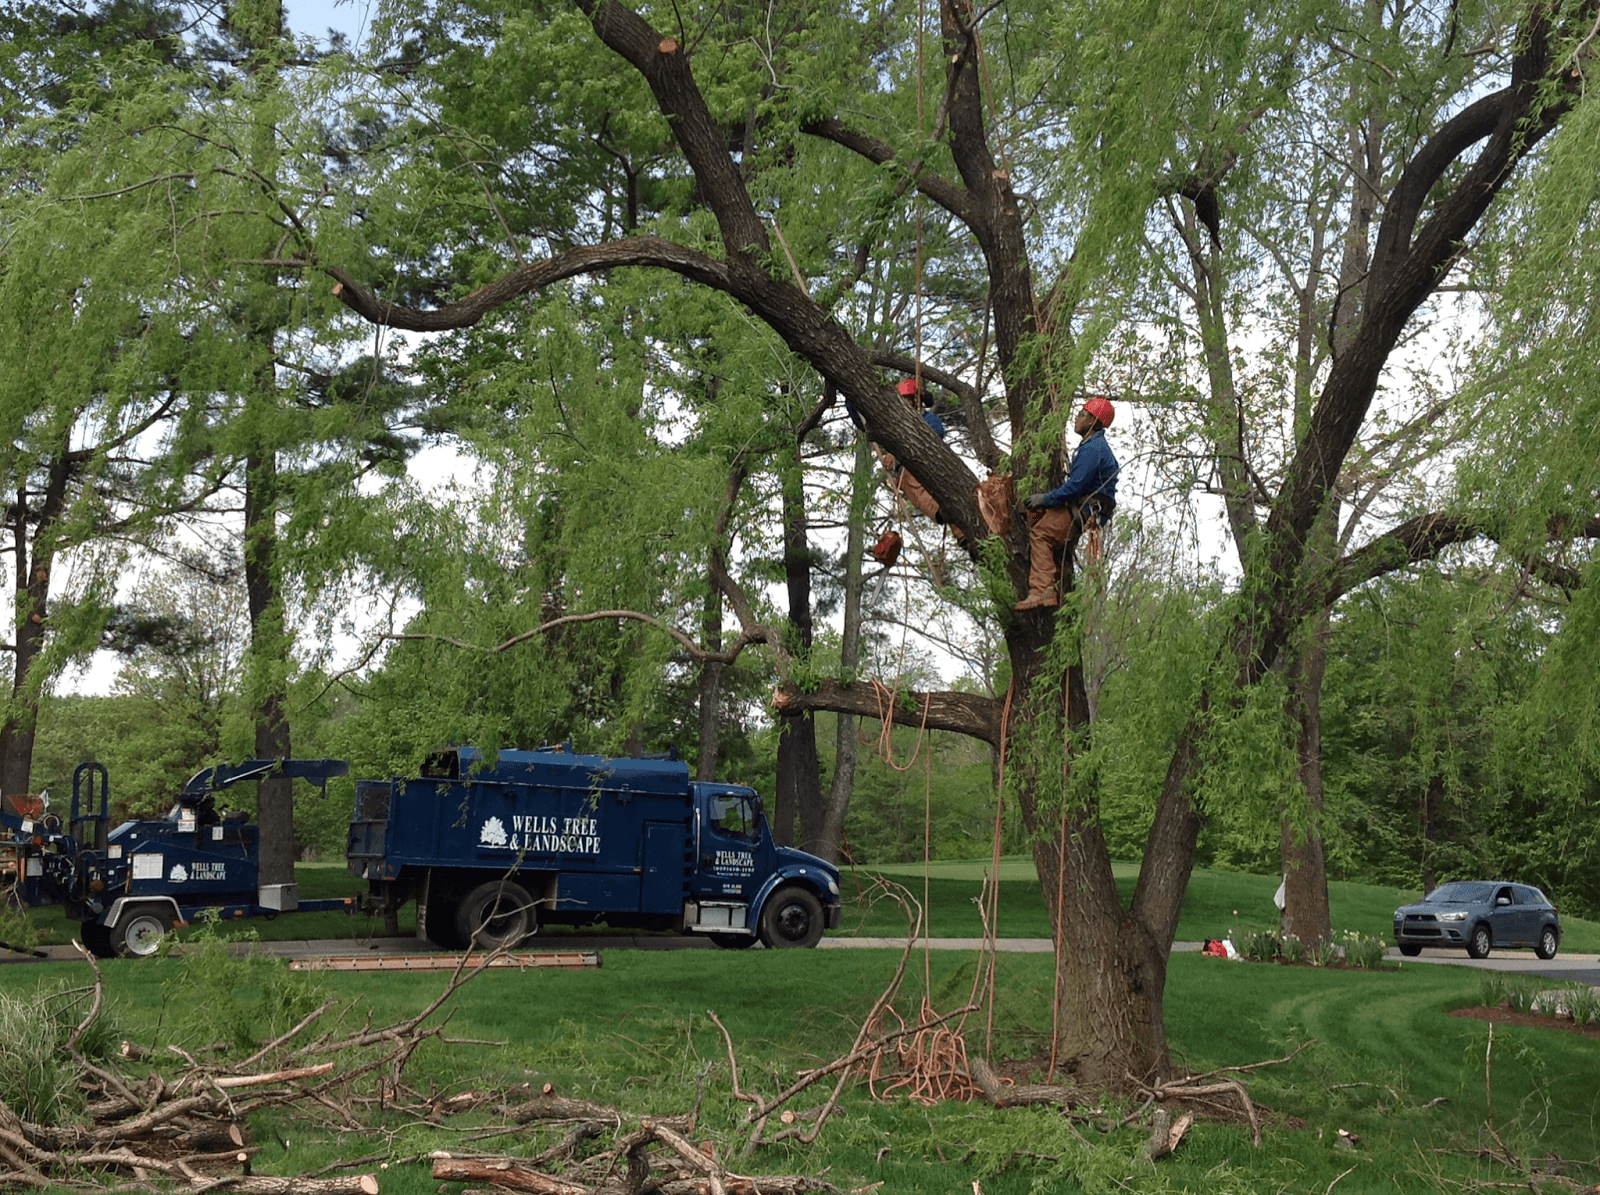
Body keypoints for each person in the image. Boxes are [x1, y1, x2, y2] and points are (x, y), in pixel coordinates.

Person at [1015, 395, 1118, 611]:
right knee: (1040, 523)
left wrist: (1044, 498)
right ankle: (1060, 593)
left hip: (1084, 509)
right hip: (1087, 509)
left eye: (1081, 414)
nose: (1076, 418)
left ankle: (1041, 592)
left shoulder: (1093, 449)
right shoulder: (1092, 445)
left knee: (1041, 533)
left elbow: (1074, 488)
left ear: (1092, 421)